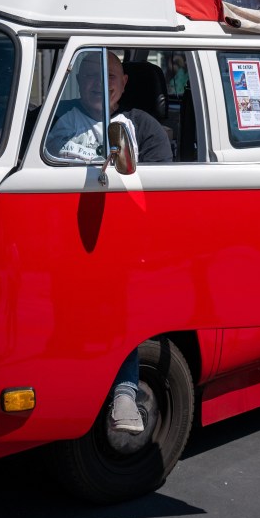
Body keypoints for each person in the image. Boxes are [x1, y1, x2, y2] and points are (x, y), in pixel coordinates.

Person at [46, 50, 172, 434]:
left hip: (120, 244)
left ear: (125, 82)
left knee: (119, 315)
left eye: (110, 74)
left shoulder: (142, 126)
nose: (100, 81)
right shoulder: (55, 120)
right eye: (90, 74)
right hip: (61, 240)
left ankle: (125, 395)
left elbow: (162, 193)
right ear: (77, 82)